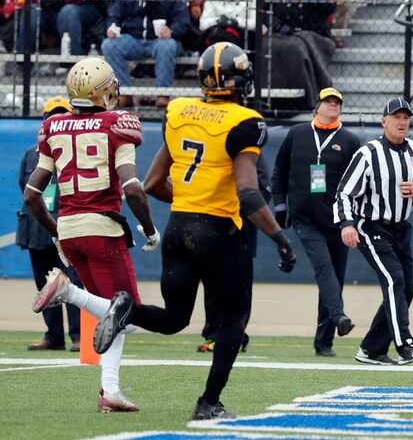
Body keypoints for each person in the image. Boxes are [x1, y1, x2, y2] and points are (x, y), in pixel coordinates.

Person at [92, 42, 296, 421]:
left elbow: (152, 183)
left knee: (175, 319)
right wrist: (280, 239)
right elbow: (248, 193)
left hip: (179, 228)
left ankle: (126, 310)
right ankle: (208, 402)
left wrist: (190, 201)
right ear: (240, 80)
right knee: (233, 319)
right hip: (219, 233)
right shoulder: (244, 121)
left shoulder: (180, 110)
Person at [26, 58, 160, 411]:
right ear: (102, 91)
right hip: (101, 227)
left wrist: (57, 233)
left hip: (69, 228)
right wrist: (149, 229)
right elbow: (132, 188)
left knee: (113, 314)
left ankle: (110, 391)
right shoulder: (117, 124)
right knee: (128, 314)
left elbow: (31, 196)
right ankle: (67, 291)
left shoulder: (54, 126)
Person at [335, 97, 413, 366]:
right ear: (384, 121)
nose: (402, 122)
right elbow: (344, 192)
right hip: (371, 226)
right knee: (394, 281)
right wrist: (346, 224)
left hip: (402, 228)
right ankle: (405, 345)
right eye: (396, 117)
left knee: (407, 289)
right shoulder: (368, 153)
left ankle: (372, 349)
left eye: (406, 118)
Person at [271, 87, 361, 356]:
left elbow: (358, 182)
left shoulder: (348, 140)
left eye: (337, 102)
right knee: (324, 268)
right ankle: (340, 316)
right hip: (305, 217)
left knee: (335, 276)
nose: (333, 105)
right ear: (317, 106)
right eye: (328, 101)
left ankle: (324, 342)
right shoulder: (297, 134)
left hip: (338, 220)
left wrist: (352, 219)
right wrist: (280, 205)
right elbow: (279, 170)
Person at [17, 97, 83, 352]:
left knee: (73, 284)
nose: (56, 121)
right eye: (51, 117)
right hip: (36, 229)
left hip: (66, 227)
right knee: (45, 286)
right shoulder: (29, 155)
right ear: (44, 121)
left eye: (61, 116)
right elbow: (25, 188)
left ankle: (77, 336)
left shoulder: (74, 151)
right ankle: (53, 336)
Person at [102, 0, 191, 108]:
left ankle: (163, 94)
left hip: (159, 41)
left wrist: (171, 31)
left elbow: (183, 21)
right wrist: (112, 27)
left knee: (168, 45)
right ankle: (125, 92)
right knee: (109, 45)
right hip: (133, 39)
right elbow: (114, 14)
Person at [198, 154, 270, 353]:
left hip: (242, 227)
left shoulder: (251, 152)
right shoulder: (213, 150)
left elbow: (262, 189)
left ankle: (236, 335)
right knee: (212, 284)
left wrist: (241, 212)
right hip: (212, 223)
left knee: (240, 286)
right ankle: (213, 334)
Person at [267, 0, 337, 109]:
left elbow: (329, 8)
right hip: (284, 34)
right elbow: (266, 11)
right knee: (271, 46)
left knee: (297, 48)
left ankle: (306, 98)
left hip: (314, 35)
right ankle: (276, 99)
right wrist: (278, 26)